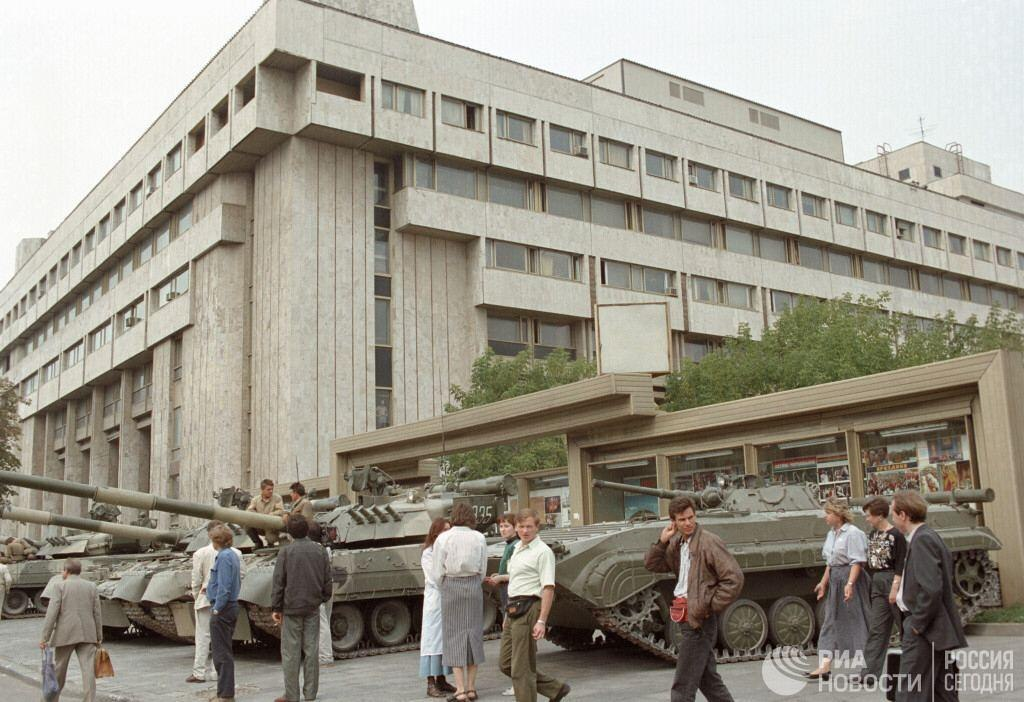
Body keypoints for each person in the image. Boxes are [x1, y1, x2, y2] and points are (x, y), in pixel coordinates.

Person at [644, 496, 743, 702]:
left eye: (691, 517)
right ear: (674, 521)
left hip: (698, 620)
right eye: (682, 520)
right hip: (686, 617)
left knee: (682, 688)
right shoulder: (677, 544)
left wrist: (708, 605)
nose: (688, 523)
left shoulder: (708, 542)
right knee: (709, 681)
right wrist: (662, 542)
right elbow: (652, 564)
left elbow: (734, 578)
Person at [891, 490, 966, 702]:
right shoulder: (927, 536)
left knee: (910, 692)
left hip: (924, 631)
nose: (892, 519)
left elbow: (931, 588)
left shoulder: (922, 540)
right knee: (941, 691)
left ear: (903, 515)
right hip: (933, 631)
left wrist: (917, 624)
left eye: (893, 514)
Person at [499, 508, 571, 702]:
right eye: (521, 527)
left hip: (529, 608)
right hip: (513, 608)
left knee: (521, 669)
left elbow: (548, 587)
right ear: (516, 528)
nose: (525, 531)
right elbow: (514, 582)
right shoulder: (516, 549)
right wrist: (507, 614)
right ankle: (555, 689)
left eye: (529, 526)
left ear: (537, 527)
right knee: (506, 663)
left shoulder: (543, 552)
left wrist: (541, 620)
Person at [271, 516, 333, 702]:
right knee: (311, 650)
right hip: (313, 606)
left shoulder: (285, 552)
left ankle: (291, 694)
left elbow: (279, 582)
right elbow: (327, 580)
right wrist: (321, 598)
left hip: (291, 608)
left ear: (289, 533)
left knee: (291, 652)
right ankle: (310, 693)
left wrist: (276, 607)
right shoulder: (320, 551)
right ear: (307, 530)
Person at [808, 498, 870, 679]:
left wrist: (850, 584)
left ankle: (867, 666)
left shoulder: (853, 533)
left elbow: (857, 561)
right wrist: (823, 583)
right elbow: (830, 562)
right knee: (830, 621)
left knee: (857, 619)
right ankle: (824, 666)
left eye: (828, 513)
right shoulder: (831, 534)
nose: (825, 517)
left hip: (850, 577)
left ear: (838, 515)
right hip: (835, 578)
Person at [432, 502, 488, 702]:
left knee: (453, 636)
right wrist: (474, 581)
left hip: (452, 585)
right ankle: (472, 688)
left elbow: (437, 570)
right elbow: (483, 568)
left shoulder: (443, 538)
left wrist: (444, 585)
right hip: (473, 584)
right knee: (473, 633)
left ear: (453, 516)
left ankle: (461, 690)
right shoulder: (479, 537)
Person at [855, 496, 907, 683]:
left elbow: (901, 563)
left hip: (893, 579)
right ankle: (868, 673)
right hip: (877, 580)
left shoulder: (897, 536)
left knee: (904, 627)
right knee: (877, 629)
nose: (867, 519)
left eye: (869, 515)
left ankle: (913, 669)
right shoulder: (872, 535)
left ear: (879, 515)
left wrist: (895, 588)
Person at [187, 521, 244, 684]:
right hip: (228, 601)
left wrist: (197, 594)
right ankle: (215, 672)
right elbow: (241, 574)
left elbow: (196, 578)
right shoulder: (236, 553)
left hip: (208, 599)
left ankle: (199, 672)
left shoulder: (200, 553)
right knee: (222, 641)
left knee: (203, 636)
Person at [38, 559, 103, 702]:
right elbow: (97, 613)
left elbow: (52, 614)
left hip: (65, 634)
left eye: (62, 570)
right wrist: (99, 635)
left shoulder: (59, 586)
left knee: (59, 672)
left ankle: (49, 700)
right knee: (88, 672)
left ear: (66, 571)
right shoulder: (91, 586)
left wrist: (44, 638)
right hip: (88, 633)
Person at [485, 513, 519, 698]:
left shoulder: (515, 546)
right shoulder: (510, 546)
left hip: (514, 597)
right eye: (501, 526)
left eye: (507, 526)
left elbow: (517, 574)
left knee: (515, 647)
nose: (503, 529)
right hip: (508, 596)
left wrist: (500, 577)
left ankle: (519, 683)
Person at [421, 517, 456, 698]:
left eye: (450, 530)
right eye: (444, 530)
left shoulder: (448, 550)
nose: (448, 534)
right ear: (435, 533)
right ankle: (430, 683)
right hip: (436, 601)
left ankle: (442, 679)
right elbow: (435, 578)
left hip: (447, 600)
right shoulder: (429, 552)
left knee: (444, 641)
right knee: (432, 641)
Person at [207, 525, 242, 702]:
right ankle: (224, 691)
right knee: (222, 652)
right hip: (229, 606)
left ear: (216, 540)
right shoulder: (232, 555)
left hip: (223, 607)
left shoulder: (224, 557)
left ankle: (226, 694)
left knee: (221, 654)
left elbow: (224, 586)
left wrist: (217, 608)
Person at [306, 520, 334, 666]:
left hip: (317, 590)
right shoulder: (325, 549)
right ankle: (323, 654)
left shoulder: (313, 550)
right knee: (324, 623)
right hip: (326, 589)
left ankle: (325, 656)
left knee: (321, 625)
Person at [246, 478, 286, 547]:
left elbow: (280, 511)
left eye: (272, 489)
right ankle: (258, 543)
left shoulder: (277, 498)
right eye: (268, 489)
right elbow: (249, 511)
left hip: (271, 526)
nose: (271, 491)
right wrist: (258, 516)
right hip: (260, 525)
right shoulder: (255, 500)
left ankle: (270, 543)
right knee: (246, 524)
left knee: (271, 539)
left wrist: (270, 515)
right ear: (262, 490)